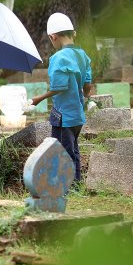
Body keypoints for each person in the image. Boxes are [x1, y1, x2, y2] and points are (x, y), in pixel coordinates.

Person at [31, 12, 92, 184]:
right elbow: (87, 84)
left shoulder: (58, 58)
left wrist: (39, 98)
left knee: (63, 151)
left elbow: (59, 87)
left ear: (53, 37)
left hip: (63, 116)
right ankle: (76, 182)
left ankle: (67, 184)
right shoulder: (83, 55)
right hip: (77, 114)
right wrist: (86, 95)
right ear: (74, 34)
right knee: (74, 149)